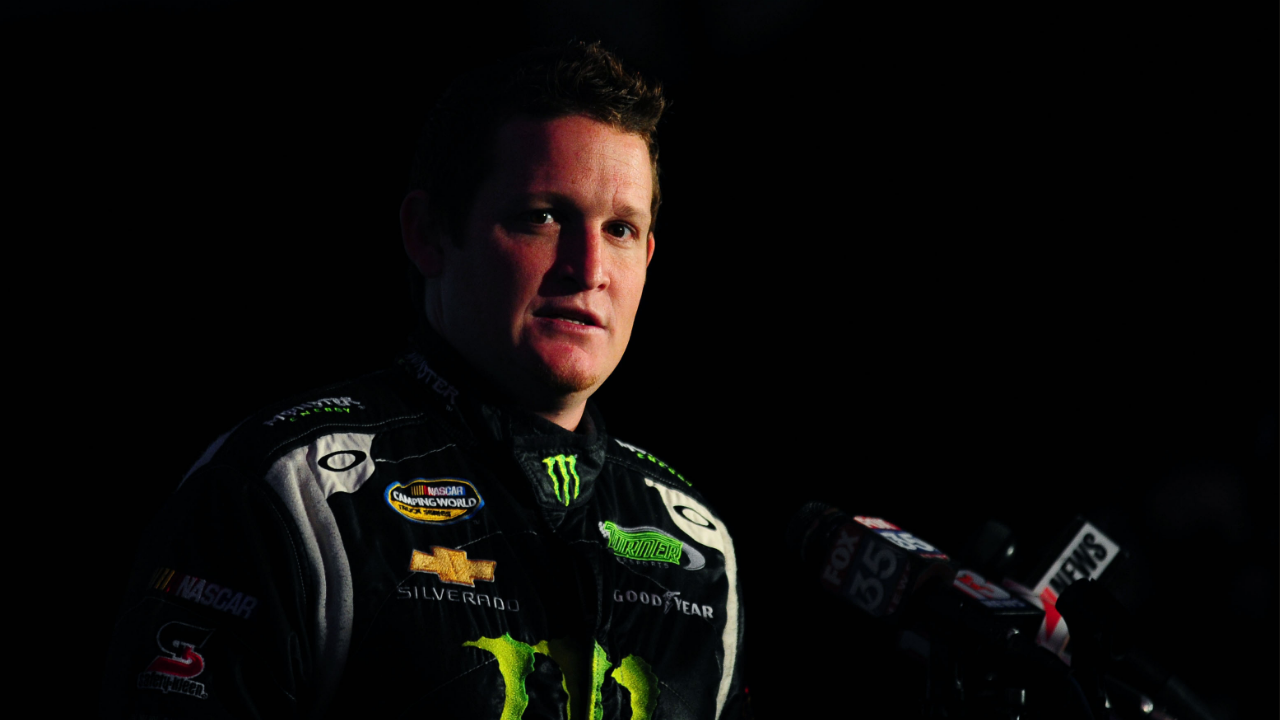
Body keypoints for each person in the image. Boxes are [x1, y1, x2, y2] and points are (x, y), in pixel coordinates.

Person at [102, 41, 747, 719]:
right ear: (427, 233)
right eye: (543, 216)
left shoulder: (702, 547)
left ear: (647, 257)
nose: (588, 269)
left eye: (620, 229)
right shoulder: (289, 492)